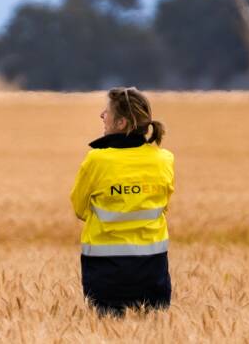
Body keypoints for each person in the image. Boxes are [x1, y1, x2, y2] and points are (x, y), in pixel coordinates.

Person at [69, 87, 174, 316]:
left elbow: (79, 208)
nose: (101, 115)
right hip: (153, 271)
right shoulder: (164, 160)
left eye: (107, 112)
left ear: (122, 123)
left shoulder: (97, 160)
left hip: (105, 273)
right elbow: (163, 206)